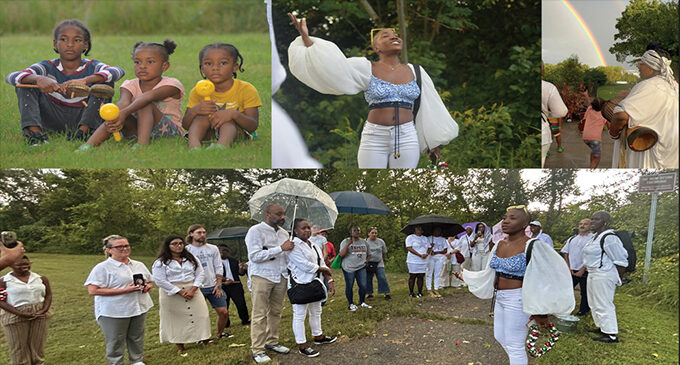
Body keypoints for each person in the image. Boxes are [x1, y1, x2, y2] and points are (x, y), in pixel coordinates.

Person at [287, 14, 458, 168]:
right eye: (386, 35)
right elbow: (331, 66)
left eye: (396, 35)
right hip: (374, 137)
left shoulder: (416, 71)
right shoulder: (365, 67)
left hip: (407, 137)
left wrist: (434, 144)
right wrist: (306, 37)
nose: (394, 36)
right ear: (376, 48)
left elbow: (431, 108)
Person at [457, 206, 574, 364]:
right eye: (505, 217)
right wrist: (467, 276)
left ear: (525, 223)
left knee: (515, 345)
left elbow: (548, 276)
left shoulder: (533, 246)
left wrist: (541, 310)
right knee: (500, 337)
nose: (506, 221)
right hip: (499, 298)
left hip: (518, 298)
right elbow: (489, 272)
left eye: (513, 218)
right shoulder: (499, 245)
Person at [5, 19, 124, 145]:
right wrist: (38, 78)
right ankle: (35, 135)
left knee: (104, 83)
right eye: (63, 39)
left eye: (77, 40)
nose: (70, 44)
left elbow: (118, 71)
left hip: (83, 116)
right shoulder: (47, 67)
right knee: (25, 83)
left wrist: (85, 80)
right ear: (55, 44)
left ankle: (84, 132)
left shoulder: (92, 66)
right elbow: (11, 77)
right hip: (52, 116)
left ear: (86, 45)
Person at [78, 39, 184, 151]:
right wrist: (115, 117)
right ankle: (88, 145)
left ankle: (141, 146)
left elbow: (148, 97)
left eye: (150, 62)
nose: (142, 66)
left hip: (167, 132)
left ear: (164, 66)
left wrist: (123, 113)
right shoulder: (129, 85)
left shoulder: (172, 84)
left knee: (145, 104)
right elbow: (123, 103)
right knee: (115, 111)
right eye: (137, 62)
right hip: (136, 130)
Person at [84, 235, 154, 365]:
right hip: (114, 311)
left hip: (139, 307)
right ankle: (116, 362)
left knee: (136, 336)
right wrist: (124, 290)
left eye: (126, 245)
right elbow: (93, 291)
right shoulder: (102, 268)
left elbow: (149, 282)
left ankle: (137, 360)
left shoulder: (138, 265)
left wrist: (146, 287)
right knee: (116, 340)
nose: (124, 248)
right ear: (109, 250)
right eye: (119, 246)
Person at [609, 45, 678, 168]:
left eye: (642, 62)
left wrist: (613, 133)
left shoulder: (648, 86)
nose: (638, 64)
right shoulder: (674, 88)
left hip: (648, 156)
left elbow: (620, 116)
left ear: (651, 68)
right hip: (670, 157)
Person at [183, 43, 261, 149]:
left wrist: (234, 114)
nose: (215, 68)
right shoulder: (198, 90)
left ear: (235, 67)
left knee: (227, 121)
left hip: (236, 132)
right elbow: (186, 125)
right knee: (200, 118)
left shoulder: (246, 89)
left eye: (223, 63)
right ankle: (194, 146)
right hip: (208, 133)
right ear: (202, 69)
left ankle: (221, 147)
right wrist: (195, 110)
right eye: (208, 63)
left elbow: (252, 126)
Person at [245, 204, 294, 364]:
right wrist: (280, 248)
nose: (282, 217)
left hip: (280, 275)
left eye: (284, 214)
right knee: (259, 314)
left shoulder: (284, 233)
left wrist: (288, 253)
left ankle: (272, 341)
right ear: (267, 214)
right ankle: (258, 350)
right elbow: (255, 256)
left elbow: (286, 256)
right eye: (278, 214)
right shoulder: (255, 231)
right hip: (262, 276)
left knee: (276, 312)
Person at [151, 234, 211, 355]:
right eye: (174, 244)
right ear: (168, 246)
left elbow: (200, 273)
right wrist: (179, 292)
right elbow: (160, 280)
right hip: (172, 291)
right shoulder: (160, 262)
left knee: (201, 314)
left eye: (180, 243)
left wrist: (193, 289)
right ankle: (180, 345)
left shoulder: (191, 258)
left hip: (192, 287)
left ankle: (204, 339)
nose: (178, 246)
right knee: (176, 319)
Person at [288, 219, 338, 357]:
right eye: (303, 228)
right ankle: (302, 345)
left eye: (308, 227)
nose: (307, 230)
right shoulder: (293, 246)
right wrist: (322, 268)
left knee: (316, 311)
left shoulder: (315, 245)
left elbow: (321, 261)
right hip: (299, 284)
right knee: (299, 315)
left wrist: (329, 278)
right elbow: (304, 265)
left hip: (315, 283)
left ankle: (318, 336)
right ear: (295, 231)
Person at [583, 211, 628, 343]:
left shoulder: (609, 238)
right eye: (592, 219)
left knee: (604, 303)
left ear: (605, 222)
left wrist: (617, 278)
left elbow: (621, 260)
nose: (592, 222)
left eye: (596, 219)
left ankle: (611, 334)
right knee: (594, 303)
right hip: (592, 273)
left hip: (604, 274)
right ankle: (602, 327)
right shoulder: (595, 237)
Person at [0, 255, 52, 365]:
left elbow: (48, 295)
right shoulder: (4, 281)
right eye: (19, 264)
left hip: (39, 314)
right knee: (19, 348)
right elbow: (1, 301)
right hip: (15, 315)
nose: (24, 266)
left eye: (26, 264)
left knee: (37, 346)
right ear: (11, 265)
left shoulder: (40, 278)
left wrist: (44, 310)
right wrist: (21, 313)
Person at [184, 224, 231, 339]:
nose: (202, 235)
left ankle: (220, 333)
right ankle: (200, 337)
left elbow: (218, 266)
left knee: (224, 312)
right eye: (199, 232)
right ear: (191, 234)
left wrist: (219, 283)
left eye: (204, 232)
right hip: (197, 287)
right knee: (199, 315)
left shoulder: (213, 248)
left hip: (213, 285)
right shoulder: (186, 250)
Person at [561, 219, 593, 316]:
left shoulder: (593, 239)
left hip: (585, 270)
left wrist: (582, 270)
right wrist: (568, 267)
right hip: (571, 269)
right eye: (580, 224)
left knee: (585, 292)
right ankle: (564, 308)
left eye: (585, 224)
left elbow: (592, 256)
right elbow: (565, 252)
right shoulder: (572, 239)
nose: (582, 226)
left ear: (590, 226)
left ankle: (583, 311)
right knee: (566, 289)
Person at [542, 61, 568, 166]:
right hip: (543, 129)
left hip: (552, 123)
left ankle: (559, 146)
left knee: (556, 135)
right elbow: (561, 112)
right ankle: (554, 147)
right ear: (542, 70)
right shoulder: (549, 88)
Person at [339, 226, 372, 310]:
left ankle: (362, 302)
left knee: (363, 285)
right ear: (350, 232)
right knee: (350, 285)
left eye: (358, 230)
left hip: (361, 267)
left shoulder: (364, 242)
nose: (357, 232)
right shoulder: (345, 241)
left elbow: (369, 254)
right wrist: (348, 244)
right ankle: (351, 304)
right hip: (349, 267)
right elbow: (341, 255)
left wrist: (366, 261)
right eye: (354, 230)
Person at [217, 244, 251, 326]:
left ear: (228, 251)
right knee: (224, 305)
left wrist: (240, 268)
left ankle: (245, 320)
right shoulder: (215, 263)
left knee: (241, 303)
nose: (222, 252)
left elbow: (241, 274)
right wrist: (225, 280)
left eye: (224, 250)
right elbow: (214, 275)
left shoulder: (233, 261)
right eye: (220, 250)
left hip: (235, 285)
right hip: (222, 286)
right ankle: (226, 323)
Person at [365, 227, 391, 300]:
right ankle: (369, 293)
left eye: (375, 233)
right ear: (368, 234)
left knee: (382, 277)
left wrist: (382, 259)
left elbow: (384, 252)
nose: (374, 234)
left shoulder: (381, 241)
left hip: (379, 263)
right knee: (368, 278)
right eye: (372, 233)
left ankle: (386, 293)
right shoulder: (365, 242)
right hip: (368, 263)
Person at [581, 98, 609, 168]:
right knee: (597, 158)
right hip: (595, 140)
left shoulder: (589, 109)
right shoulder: (604, 114)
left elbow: (590, 103)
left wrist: (586, 96)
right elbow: (609, 126)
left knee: (593, 153)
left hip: (585, 137)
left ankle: (591, 166)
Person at [405, 225, 430, 297]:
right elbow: (409, 248)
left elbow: (429, 247)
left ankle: (420, 291)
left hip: (423, 260)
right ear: (414, 230)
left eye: (420, 229)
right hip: (413, 260)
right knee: (413, 276)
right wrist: (419, 255)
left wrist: (427, 254)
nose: (419, 230)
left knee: (421, 276)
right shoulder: (410, 237)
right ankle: (411, 292)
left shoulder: (425, 238)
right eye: (418, 229)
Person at [425, 227, 448, 297]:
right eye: (436, 230)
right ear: (433, 231)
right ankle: (429, 289)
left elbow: (445, 250)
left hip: (439, 258)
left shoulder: (443, 239)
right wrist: (430, 248)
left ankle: (436, 288)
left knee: (437, 273)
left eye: (439, 230)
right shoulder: (429, 238)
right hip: (430, 258)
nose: (437, 232)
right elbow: (425, 248)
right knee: (429, 273)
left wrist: (437, 252)